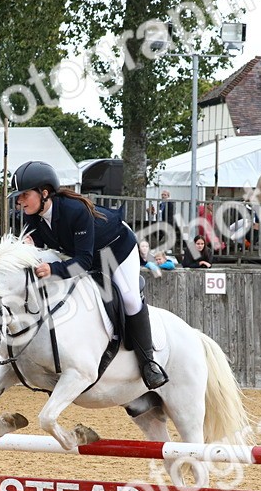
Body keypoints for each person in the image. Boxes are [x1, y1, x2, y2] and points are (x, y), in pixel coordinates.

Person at [11, 159, 168, 390]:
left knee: (129, 298)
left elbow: (83, 263)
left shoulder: (75, 211)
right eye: (19, 196)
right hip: (84, 253)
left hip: (116, 249)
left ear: (44, 193)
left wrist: (54, 270)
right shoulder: (32, 215)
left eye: (24, 194)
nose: (19, 201)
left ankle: (148, 363)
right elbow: (43, 243)